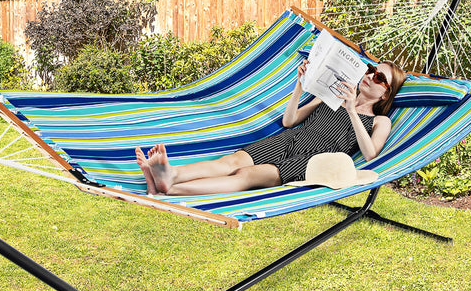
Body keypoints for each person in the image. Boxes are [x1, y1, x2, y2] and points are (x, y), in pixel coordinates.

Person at [136, 58, 406, 196]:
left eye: (379, 77)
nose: (370, 76)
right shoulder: (332, 96)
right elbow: (289, 121)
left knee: (246, 175)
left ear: (385, 93)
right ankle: (171, 175)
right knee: (231, 161)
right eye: (370, 70)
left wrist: (352, 109)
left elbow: (370, 153)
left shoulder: (379, 120)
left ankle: (171, 189)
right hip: (291, 138)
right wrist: (300, 85)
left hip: (315, 159)